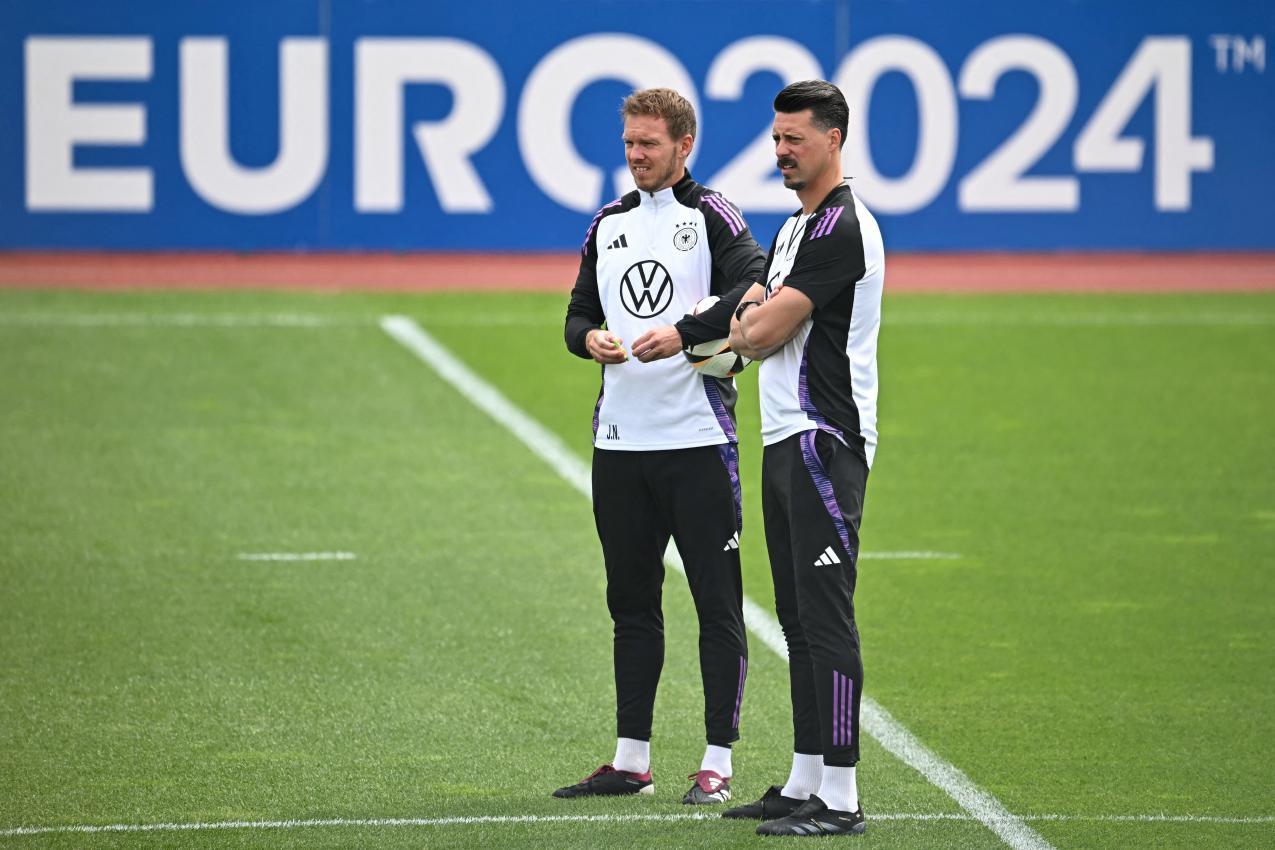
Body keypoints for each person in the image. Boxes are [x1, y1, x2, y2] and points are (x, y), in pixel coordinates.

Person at [554, 88, 767, 805]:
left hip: (698, 443)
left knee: (716, 605)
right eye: (628, 144)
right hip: (619, 445)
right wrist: (589, 339)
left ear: (684, 145)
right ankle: (630, 759)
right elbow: (577, 311)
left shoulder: (711, 216)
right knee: (631, 604)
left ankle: (716, 763)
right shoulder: (608, 222)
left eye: (648, 144)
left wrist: (686, 332)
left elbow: (754, 280)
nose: (635, 156)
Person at [722, 80, 885, 837]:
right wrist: (752, 318)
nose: (780, 150)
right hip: (784, 435)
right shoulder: (796, 228)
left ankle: (843, 798)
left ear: (833, 139)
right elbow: (750, 320)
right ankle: (803, 780)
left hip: (824, 440)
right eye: (776, 137)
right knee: (793, 615)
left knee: (824, 615)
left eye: (794, 138)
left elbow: (754, 332)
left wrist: (751, 319)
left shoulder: (839, 229)